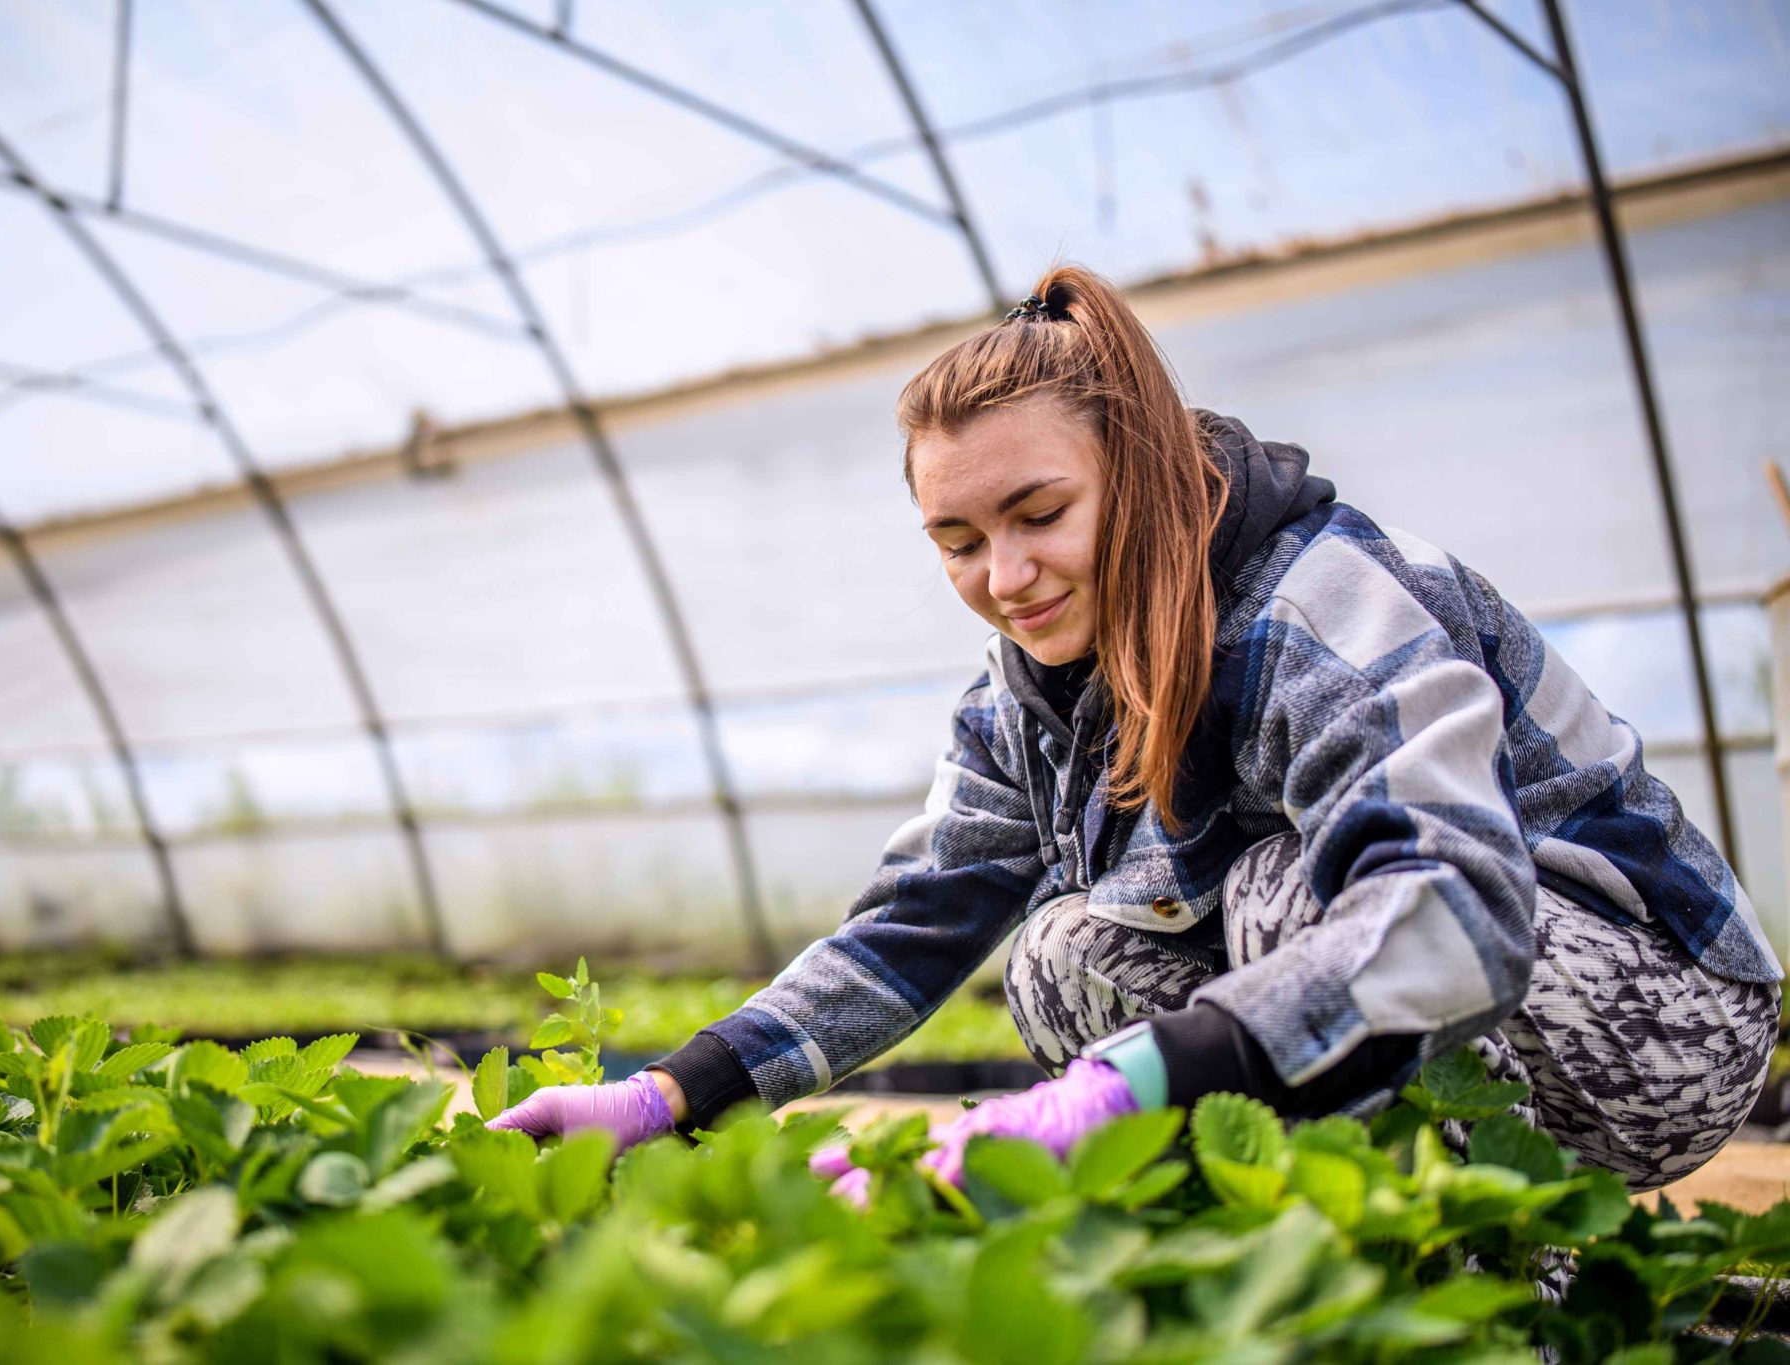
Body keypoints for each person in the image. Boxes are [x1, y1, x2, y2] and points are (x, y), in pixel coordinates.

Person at [489, 264, 1782, 1198]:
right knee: (1056, 952)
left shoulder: (1314, 602)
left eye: (1039, 511)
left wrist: (1122, 1087)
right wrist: (670, 1091)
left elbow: (1451, 906)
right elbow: (913, 922)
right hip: (1432, 1010)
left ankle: (1493, 1272)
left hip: (1654, 1018)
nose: (1006, 573)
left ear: (1142, 467)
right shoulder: (1025, 690)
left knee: (1293, 894)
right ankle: (1286, 1228)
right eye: (958, 539)